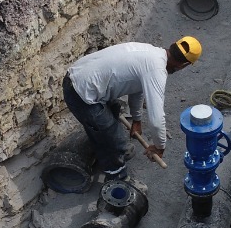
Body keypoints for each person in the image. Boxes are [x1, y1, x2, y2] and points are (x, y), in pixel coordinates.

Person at [63, 36, 202, 181]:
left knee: (114, 109)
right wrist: (160, 146)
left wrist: (137, 119)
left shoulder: (151, 53)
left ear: (173, 45)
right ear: (184, 65)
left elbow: (138, 89)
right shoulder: (156, 70)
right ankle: (117, 177)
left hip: (80, 77)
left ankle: (114, 147)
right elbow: (156, 119)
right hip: (80, 94)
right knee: (109, 138)